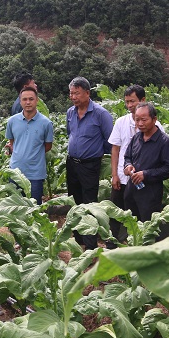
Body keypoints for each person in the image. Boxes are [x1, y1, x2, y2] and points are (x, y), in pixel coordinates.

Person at [107, 86, 163, 245]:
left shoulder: (158, 129)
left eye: (133, 101)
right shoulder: (121, 122)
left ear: (143, 100)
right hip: (123, 178)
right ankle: (112, 246)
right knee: (116, 214)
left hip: (145, 182)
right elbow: (115, 149)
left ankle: (140, 247)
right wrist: (115, 175)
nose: (130, 105)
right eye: (127, 102)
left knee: (142, 217)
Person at [66, 76, 113, 249]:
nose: (73, 97)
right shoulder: (70, 112)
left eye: (76, 93)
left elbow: (110, 142)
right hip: (72, 163)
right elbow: (69, 133)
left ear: (87, 93)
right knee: (74, 201)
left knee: (89, 203)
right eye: (71, 93)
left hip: (90, 165)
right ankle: (78, 240)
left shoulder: (101, 114)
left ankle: (90, 244)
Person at [123, 103, 169, 222]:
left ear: (154, 119)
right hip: (131, 191)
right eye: (137, 120)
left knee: (149, 230)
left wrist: (146, 174)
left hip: (150, 194)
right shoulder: (136, 138)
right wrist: (128, 166)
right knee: (132, 227)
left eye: (144, 120)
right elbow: (127, 157)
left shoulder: (165, 142)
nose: (140, 123)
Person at [5, 86, 53, 205]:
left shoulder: (46, 123)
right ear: (20, 101)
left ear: (37, 100)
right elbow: (12, 142)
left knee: (34, 209)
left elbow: (48, 146)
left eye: (31, 99)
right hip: (15, 171)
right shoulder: (12, 121)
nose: (28, 102)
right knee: (15, 209)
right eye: (24, 99)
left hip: (35, 174)